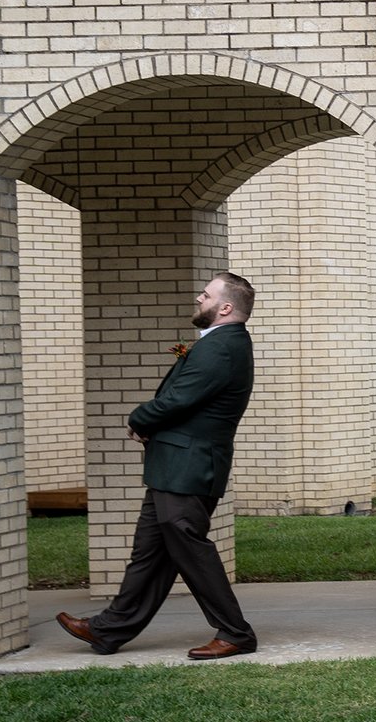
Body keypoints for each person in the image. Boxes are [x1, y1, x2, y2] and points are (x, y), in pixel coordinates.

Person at [55, 272, 262, 660]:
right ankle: (108, 630)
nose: (198, 299)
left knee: (188, 547)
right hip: (175, 466)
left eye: (206, 295)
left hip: (189, 467)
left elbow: (179, 399)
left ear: (226, 307)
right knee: (151, 554)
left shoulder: (222, 347)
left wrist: (139, 419)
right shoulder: (219, 344)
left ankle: (236, 633)